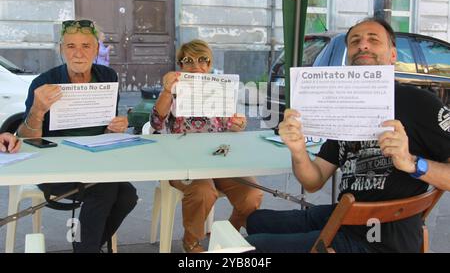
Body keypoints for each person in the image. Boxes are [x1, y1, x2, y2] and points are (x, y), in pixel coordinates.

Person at [246, 17, 450, 253]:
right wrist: (298, 150)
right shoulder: (345, 107)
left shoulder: (420, 103)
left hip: (384, 242)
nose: (363, 45)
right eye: (355, 41)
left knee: (249, 249)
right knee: (255, 220)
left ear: (393, 55)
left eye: (373, 40)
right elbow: (313, 181)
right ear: (348, 55)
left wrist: (413, 163)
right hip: (346, 219)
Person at [17, 19, 138, 253]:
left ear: (96, 50)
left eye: (86, 45)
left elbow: (105, 129)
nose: (79, 53)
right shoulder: (43, 82)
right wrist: (37, 110)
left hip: (96, 160)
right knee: (106, 187)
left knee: (128, 195)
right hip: (54, 167)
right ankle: (86, 249)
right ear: (62, 49)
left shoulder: (107, 76)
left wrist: (115, 126)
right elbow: (25, 141)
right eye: (71, 46)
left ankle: (86, 246)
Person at [150, 39, 263, 253]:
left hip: (218, 160)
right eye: (189, 61)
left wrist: (239, 123)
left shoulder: (218, 89)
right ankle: (191, 240)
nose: (197, 66)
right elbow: (156, 123)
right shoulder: (173, 89)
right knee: (204, 191)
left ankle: (228, 231)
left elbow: (231, 123)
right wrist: (166, 91)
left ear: (210, 65)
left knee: (252, 194)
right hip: (183, 162)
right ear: (180, 65)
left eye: (203, 60)